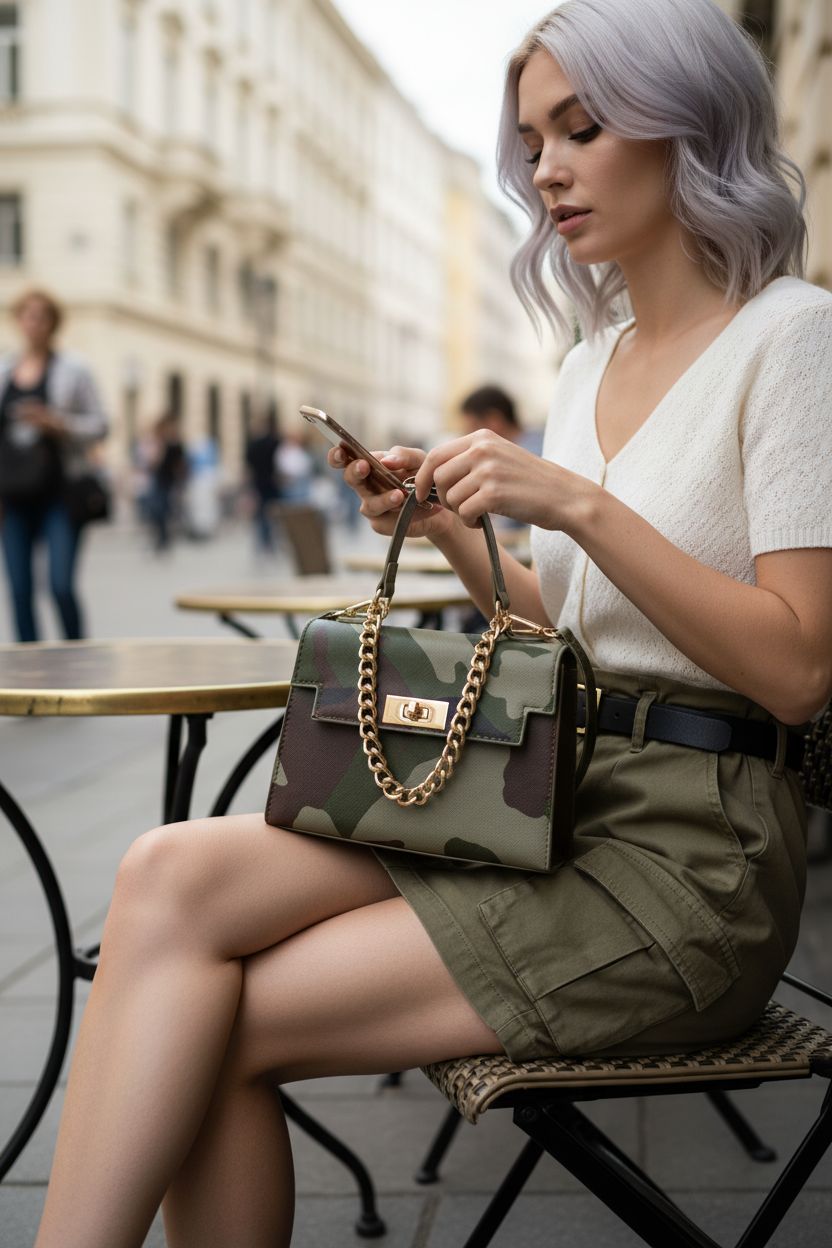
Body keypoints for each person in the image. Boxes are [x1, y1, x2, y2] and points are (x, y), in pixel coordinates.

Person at [34, 2, 832, 1244]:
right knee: (165, 872)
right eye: (531, 139)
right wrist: (460, 532)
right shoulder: (590, 360)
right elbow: (564, 630)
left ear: (692, 125)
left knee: (210, 1028)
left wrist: (568, 500)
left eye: (584, 126)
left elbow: (796, 670)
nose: (547, 168)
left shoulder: (792, 342)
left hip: (693, 866)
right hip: (557, 794)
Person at [0, 288, 108, 643]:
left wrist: (57, 424)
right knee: (19, 591)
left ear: (53, 323)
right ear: (18, 320)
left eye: (42, 316)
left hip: (61, 493)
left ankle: (77, 655)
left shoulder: (73, 369)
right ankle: (30, 675)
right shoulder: (4, 371)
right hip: (12, 495)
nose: (34, 323)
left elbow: (101, 424)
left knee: (60, 585)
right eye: (28, 315)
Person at [459, 383, 544, 457]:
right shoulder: (540, 439)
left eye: (473, 427)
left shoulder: (530, 454)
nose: (468, 435)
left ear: (494, 419)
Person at [144, 413, 189, 552]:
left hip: (170, 481)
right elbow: (152, 462)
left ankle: (164, 539)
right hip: (158, 478)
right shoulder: (159, 442)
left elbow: (181, 463)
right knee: (157, 510)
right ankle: (162, 538)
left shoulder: (175, 444)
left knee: (163, 509)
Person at [244, 412, 281, 553]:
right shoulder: (274, 442)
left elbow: (248, 465)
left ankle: (264, 544)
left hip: (259, 483)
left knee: (261, 516)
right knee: (271, 515)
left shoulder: (253, 444)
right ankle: (269, 543)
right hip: (272, 483)